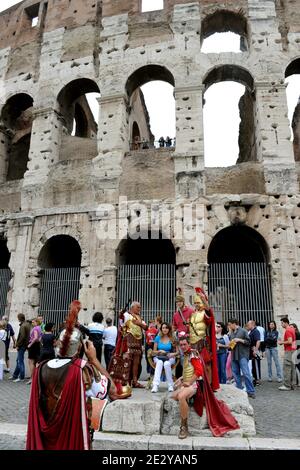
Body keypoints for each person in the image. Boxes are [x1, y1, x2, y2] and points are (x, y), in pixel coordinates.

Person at [26, 300, 117, 450]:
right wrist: (94, 359)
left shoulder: (41, 368)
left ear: (57, 345)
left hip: (46, 440)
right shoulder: (82, 369)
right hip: (70, 438)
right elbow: (112, 390)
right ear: (80, 347)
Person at [172, 334, 239, 439]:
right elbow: (188, 370)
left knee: (181, 397)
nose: (183, 346)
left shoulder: (192, 354)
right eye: (181, 345)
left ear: (189, 344)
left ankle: (184, 427)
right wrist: (181, 379)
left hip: (195, 384)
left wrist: (189, 382)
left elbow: (199, 371)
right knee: (173, 396)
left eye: (185, 344)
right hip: (187, 383)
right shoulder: (185, 354)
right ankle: (187, 399)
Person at [109, 301, 147, 390]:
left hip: (138, 342)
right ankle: (125, 380)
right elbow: (121, 322)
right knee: (127, 361)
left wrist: (139, 323)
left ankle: (135, 381)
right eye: (138, 307)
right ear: (132, 307)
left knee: (136, 363)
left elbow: (146, 327)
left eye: (140, 307)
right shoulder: (127, 315)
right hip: (128, 341)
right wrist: (121, 314)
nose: (139, 309)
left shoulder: (139, 317)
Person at [189, 287, 219, 391]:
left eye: (199, 302)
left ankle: (209, 385)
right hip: (193, 343)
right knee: (195, 366)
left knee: (207, 365)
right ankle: (198, 385)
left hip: (203, 342)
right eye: (195, 302)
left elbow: (209, 314)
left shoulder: (205, 313)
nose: (197, 304)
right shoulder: (192, 314)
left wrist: (205, 300)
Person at [227, 318, 255, 399]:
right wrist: (230, 345)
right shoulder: (231, 332)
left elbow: (249, 342)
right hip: (234, 355)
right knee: (236, 374)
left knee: (246, 373)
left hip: (242, 355)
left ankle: (251, 391)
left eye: (230, 324)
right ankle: (239, 390)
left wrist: (239, 340)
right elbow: (231, 345)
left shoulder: (243, 331)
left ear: (234, 323)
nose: (229, 326)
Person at [151, 322, 178, 393]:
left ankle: (170, 385)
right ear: (161, 329)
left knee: (166, 364)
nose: (165, 329)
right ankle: (155, 385)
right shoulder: (157, 337)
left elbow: (178, 352)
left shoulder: (172, 338)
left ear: (169, 329)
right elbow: (154, 351)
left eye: (166, 328)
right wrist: (160, 351)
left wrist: (172, 354)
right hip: (159, 356)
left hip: (169, 357)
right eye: (163, 328)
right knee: (159, 363)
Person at [10, 313, 31, 383]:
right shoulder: (27, 324)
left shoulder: (23, 325)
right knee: (18, 360)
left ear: (19, 318)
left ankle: (21, 377)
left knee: (20, 361)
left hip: (22, 345)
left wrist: (17, 345)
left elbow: (22, 337)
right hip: (25, 345)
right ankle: (15, 375)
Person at [278, 317, 297, 390]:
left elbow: (290, 341)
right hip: (293, 350)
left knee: (287, 368)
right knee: (292, 368)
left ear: (286, 323)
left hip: (289, 351)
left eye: (282, 323)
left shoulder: (288, 330)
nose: (281, 324)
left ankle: (287, 385)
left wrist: (281, 342)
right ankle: (292, 385)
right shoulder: (292, 329)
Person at [27, 318, 42, 385]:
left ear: (37, 322)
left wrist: (30, 344)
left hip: (33, 346)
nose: (32, 323)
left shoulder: (35, 328)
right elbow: (40, 337)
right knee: (35, 361)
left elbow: (35, 338)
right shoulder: (40, 328)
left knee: (31, 362)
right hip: (37, 345)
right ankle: (34, 377)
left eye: (33, 322)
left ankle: (31, 378)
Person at [247, 320, 261, 386]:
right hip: (250, 351)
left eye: (248, 325)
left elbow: (258, 341)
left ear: (252, 324)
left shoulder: (256, 331)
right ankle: (255, 378)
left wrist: (255, 350)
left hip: (254, 350)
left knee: (255, 365)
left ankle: (257, 380)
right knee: (253, 366)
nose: (247, 326)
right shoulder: (251, 331)